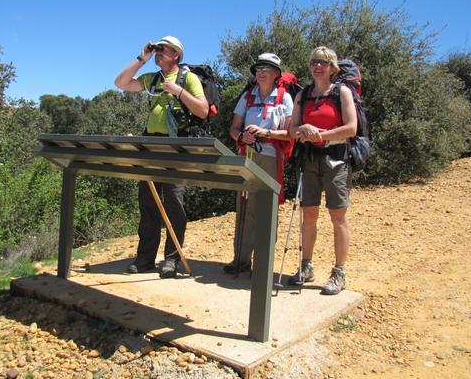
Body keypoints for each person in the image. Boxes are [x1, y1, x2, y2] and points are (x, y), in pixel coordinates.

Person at [114, 36, 208, 278]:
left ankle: (172, 260)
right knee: (148, 203)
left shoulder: (189, 79)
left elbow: (203, 110)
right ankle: (145, 259)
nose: (158, 53)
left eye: (162, 50)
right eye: (156, 49)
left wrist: (178, 91)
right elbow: (121, 83)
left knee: (174, 203)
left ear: (176, 54)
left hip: (176, 148)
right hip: (151, 146)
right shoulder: (153, 79)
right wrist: (141, 59)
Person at [287, 46, 357, 294]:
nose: (318, 66)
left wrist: (321, 135)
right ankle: (306, 266)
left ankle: (339, 272)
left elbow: (351, 128)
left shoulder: (342, 93)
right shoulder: (303, 95)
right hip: (309, 159)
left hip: (336, 159)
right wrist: (303, 128)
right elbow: (291, 130)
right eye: (315, 62)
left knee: (337, 216)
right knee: (309, 215)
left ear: (332, 67)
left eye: (324, 63)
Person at [224, 53, 294, 274]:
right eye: (259, 68)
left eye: (267, 69)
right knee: (244, 207)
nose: (261, 72)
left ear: (276, 74)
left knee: (267, 208)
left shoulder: (284, 98)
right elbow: (233, 128)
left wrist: (266, 132)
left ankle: (263, 264)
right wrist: (240, 136)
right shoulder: (247, 96)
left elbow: (290, 133)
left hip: (271, 157)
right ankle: (241, 261)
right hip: (247, 156)